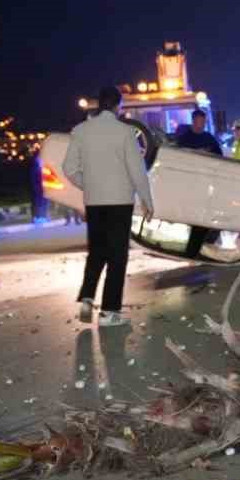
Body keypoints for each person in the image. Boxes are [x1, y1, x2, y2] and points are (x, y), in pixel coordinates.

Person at [62, 86, 153, 327]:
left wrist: (89, 185)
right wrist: (147, 200)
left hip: (95, 202)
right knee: (117, 256)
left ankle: (87, 298)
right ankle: (110, 312)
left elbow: (69, 169)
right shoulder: (125, 133)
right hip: (120, 202)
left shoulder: (81, 131)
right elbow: (137, 170)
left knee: (97, 251)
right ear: (117, 106)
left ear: (99, 104)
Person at [173, 108, 223, 257]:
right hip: (190, 184)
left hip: (206, 183)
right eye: (199, 121)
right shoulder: (185, 138)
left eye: (203, 122)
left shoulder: (209, 138)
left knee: (204, 218)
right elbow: (178, 157)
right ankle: (193, 250)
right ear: (193, 121)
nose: (201, 124)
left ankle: (195, 249)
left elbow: (220, 158)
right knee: (197, 219)